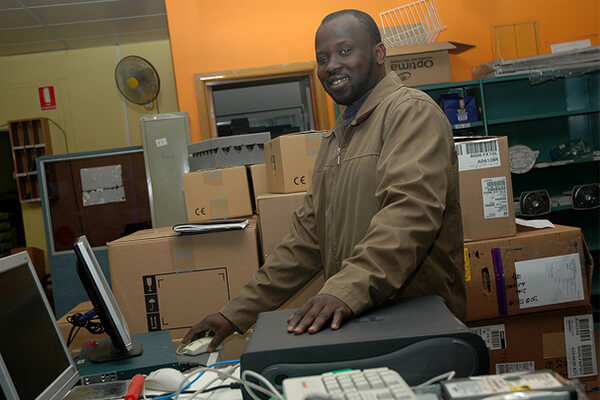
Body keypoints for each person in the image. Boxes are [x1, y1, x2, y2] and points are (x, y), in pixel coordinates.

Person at [182, 9, 465, 352]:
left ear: (379, 53)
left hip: (418, 330)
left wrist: (343, 290)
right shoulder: (338, 138)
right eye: (322, 58)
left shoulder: (410, 113)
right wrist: (233, 315)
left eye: (345, 51)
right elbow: (305, 241)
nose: (331, 65)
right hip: (361, 321)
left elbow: (410, 215)